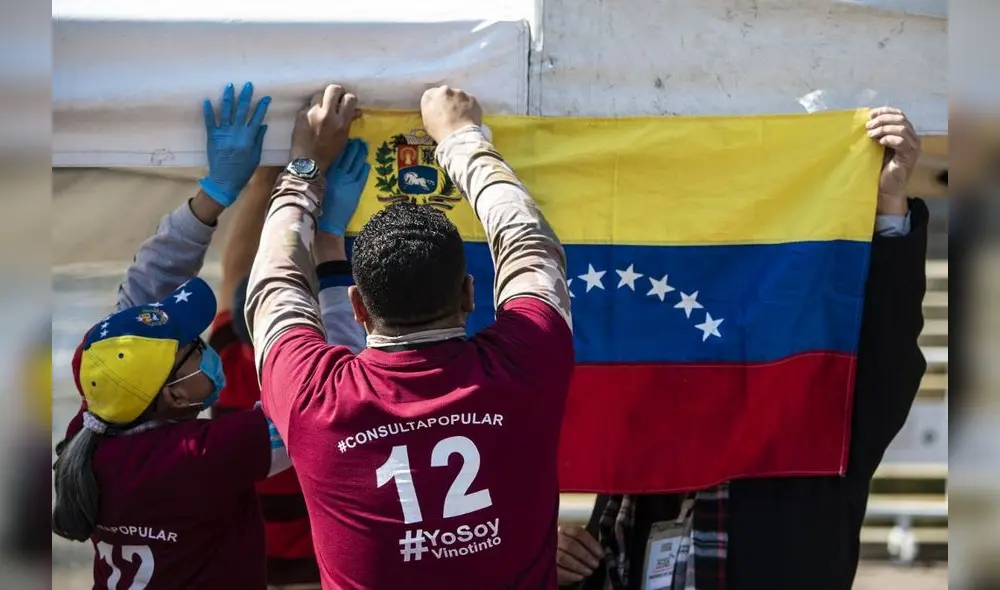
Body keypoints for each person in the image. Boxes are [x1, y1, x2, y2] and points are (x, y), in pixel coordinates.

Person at [555, 107, 929, 590]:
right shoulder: (634, 461)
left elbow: (887, 358)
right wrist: (556, 561)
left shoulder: (812, 442)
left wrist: (887, 205)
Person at [244, 84, 574, 588]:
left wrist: (306, 167)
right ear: (469, 294)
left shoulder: (313, 398)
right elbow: (530, 246)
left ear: (358, 307)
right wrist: (461, 138)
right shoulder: (526, 363)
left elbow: (274, 281)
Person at [50, 81, 295, 590]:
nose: (206, 347)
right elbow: (317, 407)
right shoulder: (194, 458)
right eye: (193, 348)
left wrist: (214, 195)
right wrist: (309, 200)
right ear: (176, 396)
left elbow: (145, 288)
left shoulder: (100, 418)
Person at [209, 158, 366, 589]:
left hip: (254, 564)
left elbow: (234, 274)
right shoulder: (329, 382)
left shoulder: (230, 366)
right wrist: (330, 237)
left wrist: (265, 177)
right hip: (327, 567)